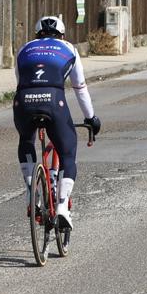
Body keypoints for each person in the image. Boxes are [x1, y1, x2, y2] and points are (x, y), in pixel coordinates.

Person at [13, 16, 100, 231]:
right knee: (68, 151)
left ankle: (31, 191)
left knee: (26, 140)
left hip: (24, 101)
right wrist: (91, 118)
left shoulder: (24, 49)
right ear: (62, 35)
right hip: (53, 101)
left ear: (37, 35)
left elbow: (20, 81)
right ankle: (61, 206)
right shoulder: (68, 48)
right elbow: (79, 87)